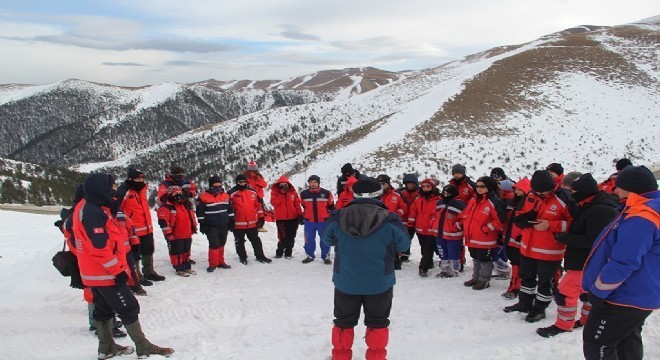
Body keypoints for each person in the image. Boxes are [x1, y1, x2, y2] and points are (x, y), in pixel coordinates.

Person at [73, 173, 173, 359]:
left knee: (104, 309)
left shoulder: (90, 207)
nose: (113, 190)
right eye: (110, 187)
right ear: (99, 188)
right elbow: (99, 247)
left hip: (94, 273)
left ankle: (106, 347)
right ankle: (143, 346)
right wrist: (117, 270)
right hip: (105, 274)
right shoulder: (93, 212)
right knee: (129, 307)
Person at [322, 177, 411, 360]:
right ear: (379, 194)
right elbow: (404, 245)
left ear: (354, 194)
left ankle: (340, 356)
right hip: (379, 282)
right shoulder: (390, 219)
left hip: (346, 280)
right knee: (378, 323)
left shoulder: (338, 216)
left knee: (343, 323)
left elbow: (327, 239)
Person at [582, 165, 659, 359]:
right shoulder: (642, 209)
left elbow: (624, 261)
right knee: (626, 339)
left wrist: (599, 290)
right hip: (639, 293)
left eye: (618, 185)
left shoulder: (642, 217)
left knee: (596, 343)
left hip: (623, 296)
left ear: (631, 188)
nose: (614, 189)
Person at [536, 173, 619, 338]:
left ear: (583, 191)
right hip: (588, 260)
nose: (570, 194)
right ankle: (587, 319)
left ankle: (563, 325)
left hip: (587, 261)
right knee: (586, 292)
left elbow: (593, 240)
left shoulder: (600, 209)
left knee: (564, 292)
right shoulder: (592, 204)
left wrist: (564, 237)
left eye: (573, 191)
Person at [504, 170, 573, 322]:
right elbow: (521, 212)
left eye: (544, 191)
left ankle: (540, 309)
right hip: (528, 246)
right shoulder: (531, 196)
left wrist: (550, 225)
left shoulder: (564, 198)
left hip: (549, 250)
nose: (542, 194)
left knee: (544, 282)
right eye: (538, 191)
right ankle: (525, 303)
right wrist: (522, 219)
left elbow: (573, 224)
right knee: (526, 277)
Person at [117, 167, 165, 284]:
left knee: (148, 250)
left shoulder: (143, 189)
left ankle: (149, 271)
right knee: (135, 254)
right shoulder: (124, 191)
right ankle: (136, 275)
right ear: (131, 178)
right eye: (138, 178)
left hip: (147, 227)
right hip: (133, 230)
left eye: (142, 177)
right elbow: (116, 209)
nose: (141, 180)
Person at [460, 176, 507, 290]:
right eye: (477, 186)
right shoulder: (474, 199)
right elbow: (466, 213)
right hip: (472, 236)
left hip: (485, 238)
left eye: (482, 186)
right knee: (475, 257)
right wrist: (464, 221)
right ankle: (476, 277)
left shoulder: (493, 201)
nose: (479, 188)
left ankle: (484, 280)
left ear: (489, 187)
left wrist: (486, 228)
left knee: (484, 259)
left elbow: (500, 220)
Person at [228, 174, 272, 265]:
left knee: (256, 240)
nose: (242, 183)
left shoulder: (253, 192)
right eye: (240, 182)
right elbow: (228, 208)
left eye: (244, 182)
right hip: (238, 223)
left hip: (252, 223)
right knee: (239, 241)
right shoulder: (231, 193)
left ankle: (260, 256)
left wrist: (261, 217)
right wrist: (230, 220)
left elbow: (258, 206)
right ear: (237, 182)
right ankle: (242, 257)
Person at [501, 177, 532, 299]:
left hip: (519, 239)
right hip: (509, 237)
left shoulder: (527, 204)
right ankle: (514, 285)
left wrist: (523, 235)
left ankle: (515, 287)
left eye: (520, 190)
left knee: (517, 263)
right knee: (513, 261)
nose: (518, 193)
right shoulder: (511, 203)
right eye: (516, 190)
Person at [196, 176, 235, 272]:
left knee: (222, 243)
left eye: (219, 185)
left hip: (224, 224)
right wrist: (202, 224)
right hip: (211, 225)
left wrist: (232, 220)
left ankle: (220, 262)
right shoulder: (203, 197)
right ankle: (213, 264)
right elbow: (200, 212)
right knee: (214, 244)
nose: (218, 187)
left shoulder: (226, 196)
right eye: (215, 186)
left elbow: (230, 209)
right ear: (210, 186)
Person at [157, 185, 198, 276]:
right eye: (175, 193)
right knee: (177, 253)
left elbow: (191, 217)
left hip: (187, 233)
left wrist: (193, 227)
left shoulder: (186, 205)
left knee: (186, 251)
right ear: (170, 194)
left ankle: (187, 267)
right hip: (175, 235)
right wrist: (168, 234)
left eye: (180, 193)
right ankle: (179, 268)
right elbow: (163, 222)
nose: (178, 195)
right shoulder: (166, 207)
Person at [408, 178, 441, 277]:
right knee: (424, 248)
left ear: (433, 187)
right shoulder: (418, 199)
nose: (425, 188)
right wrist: (411, 224)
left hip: (432, 230)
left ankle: (423, 268)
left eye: (428, 186)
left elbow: (439, 214)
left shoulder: (439, 200)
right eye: (423, 186)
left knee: (428, 249)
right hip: (420, 230)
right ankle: (429, 262)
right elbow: (413, 212)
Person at [432, 184, 466, 278]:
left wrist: (457, 226)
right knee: (442, 252)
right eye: (444, 192)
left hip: (453, 234)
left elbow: (464, 218)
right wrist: (433, 223)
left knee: (453, 253)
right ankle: (444, 270)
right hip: (439, 233)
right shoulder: (439, 202)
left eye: (448, 193)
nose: (446, 195)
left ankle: (454, 270)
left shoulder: (460, 204)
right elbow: (434, 214)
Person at [300, 175, 335, 264]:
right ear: (309, 183)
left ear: (318, 183)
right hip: (309, 221)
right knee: (309, 240)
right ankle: (310, 256)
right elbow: (303, 205)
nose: (313, 184)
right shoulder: (304, 194)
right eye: (311, 182)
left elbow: (331, 206)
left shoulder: (326, 193)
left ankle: (326, 257)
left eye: (315, 182)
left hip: (323, 221)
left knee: (325, 239)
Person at [378, 174, 409, 270]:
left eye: (383, 183)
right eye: (379, 184)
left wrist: (396, 214)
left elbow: (404, 207)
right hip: (378, 223)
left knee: (393, 243)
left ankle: (396, 262)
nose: (381, 186)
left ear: (388, 183)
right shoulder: (375, 194)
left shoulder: (397, 194)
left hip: (392, 222)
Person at [269, 175, 303, 259]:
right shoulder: (275, 193)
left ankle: (288, 253)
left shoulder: (293, 192)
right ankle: (279, 252)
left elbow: (297, 204)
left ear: (288, 185)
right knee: (282, 237)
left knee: (291, 236)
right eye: (282, 185)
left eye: (285, 185)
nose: (284, 187)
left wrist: (300, 214)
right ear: (279, 185)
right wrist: (281, 194)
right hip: (281, 219)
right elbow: (274, 203)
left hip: (293, 218)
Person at [397, 173, 419, 262]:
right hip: (404, 219)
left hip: (416, 220)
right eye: (408, 184)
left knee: (412, 238)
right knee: (404, 237)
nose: (410, 185)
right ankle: (404, 255)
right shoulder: (401, 192)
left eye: (412, 184)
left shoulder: (419, 193)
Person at [243, 160, 269, 232]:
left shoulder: (245, 175)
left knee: (251, 210)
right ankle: (259, 225)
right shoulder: (257, 176)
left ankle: (251, 224)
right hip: (257, 195)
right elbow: (264, 185)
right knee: (260, 211)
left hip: (249, 196)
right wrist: (258, 180)